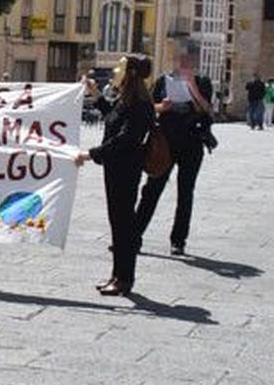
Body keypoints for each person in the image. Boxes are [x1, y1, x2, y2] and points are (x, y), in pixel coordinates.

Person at [75, 53, 155, 297]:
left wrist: (91, 154)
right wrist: (96, 94)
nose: (115, 73)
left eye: (120, 68)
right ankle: (117, 275)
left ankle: (125, 278)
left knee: (124, 224)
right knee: (117, 221)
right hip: (115, 167)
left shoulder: (140, 104)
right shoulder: (127, 99)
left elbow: (126, 138)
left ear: (131, 74)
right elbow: (112, 118)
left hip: (126, 168)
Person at [134, 48, 213, 256]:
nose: (184, 66)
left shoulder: (203, 82)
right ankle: (134, 236)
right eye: (181, 62)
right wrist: (162, 106)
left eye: (189, 62)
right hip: (165, 143)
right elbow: (150, 107)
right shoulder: (163, 81)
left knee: (185, 192)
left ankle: (178, 240)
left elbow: (206, 109)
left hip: (192, 143)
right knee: (151, 189)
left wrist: (192, 87)